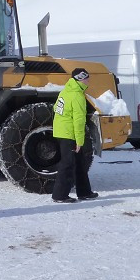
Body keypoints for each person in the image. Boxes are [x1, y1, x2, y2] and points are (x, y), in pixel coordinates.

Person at [52, 67, 98, 203]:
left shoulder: (65, 91)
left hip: (61, 131)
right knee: (67, 164)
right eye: (87, 77)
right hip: (69, 134)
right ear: (80, 79)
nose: (89, 80)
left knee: (79, 162)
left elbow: (56, 109)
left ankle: (84, 192)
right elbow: (79, 121)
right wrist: (79, 140)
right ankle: (59, 195)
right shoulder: (77, 95)